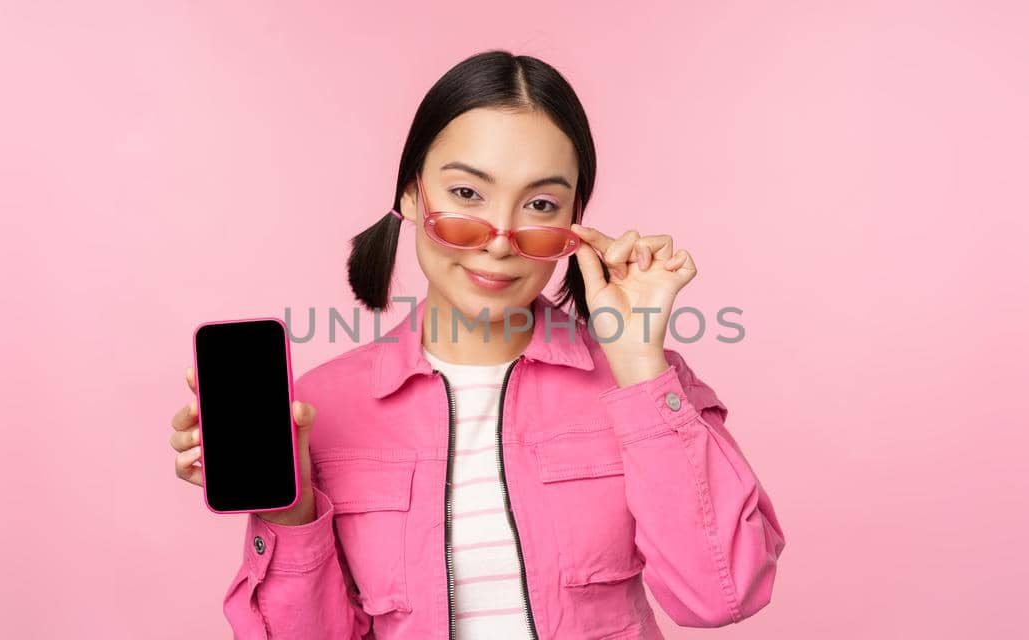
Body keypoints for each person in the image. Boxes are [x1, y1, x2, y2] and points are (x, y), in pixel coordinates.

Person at [169, 49, 785, 639]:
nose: (499, 240)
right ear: (411, 192)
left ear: (576, 220)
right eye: (467, 194)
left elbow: (722, 596)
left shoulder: (646, 384)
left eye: (540, 203)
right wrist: (287, 513)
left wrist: (639, 367)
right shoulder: (318, 408)